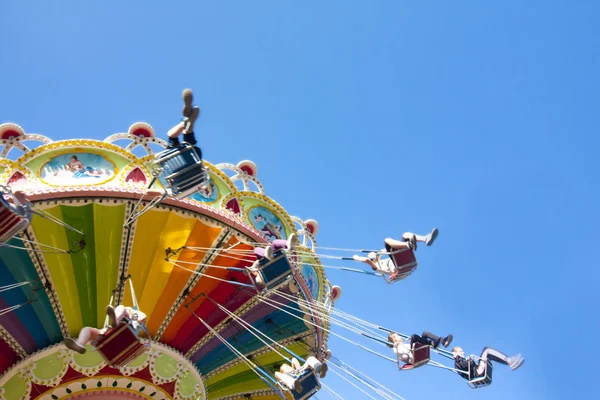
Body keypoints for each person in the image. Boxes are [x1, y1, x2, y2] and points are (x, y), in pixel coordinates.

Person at [353, 228, 438, 281]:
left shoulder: (385, 258)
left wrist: (379, 253)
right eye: (372, 256)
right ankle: (409, 245)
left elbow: (385, 250)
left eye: (374, 255)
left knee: (406, 235)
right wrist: (356, 258)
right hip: (399, 267)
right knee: (387, 240)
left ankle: (425, 238)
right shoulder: (376, 267)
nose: (374, 256)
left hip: (402, 261)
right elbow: (366, 260)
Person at [63, 305, 147, 354]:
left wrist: (130, 312)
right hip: (108, 335)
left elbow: (142, 317)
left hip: (126, 332)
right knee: (87, 329)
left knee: (121, 307)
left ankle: (116, 320)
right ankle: (79, 344)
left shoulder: (134, 319)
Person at [451, 346, 524, 381]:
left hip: (477, 371)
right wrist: (469, 359)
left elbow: (469, 365)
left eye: (462, 351)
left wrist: (470, 360)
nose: (463, 352)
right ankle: (510, 361)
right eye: (460, 351)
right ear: (455, 353)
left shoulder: (460, 361)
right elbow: (466, 365)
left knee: (490, 355)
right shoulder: (457, 362)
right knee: (486, 350)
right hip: (478, 372)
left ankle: (510, 361)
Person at [167, 88, 202, 158]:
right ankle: (186, 124)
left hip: (173, 160)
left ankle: (185, 123)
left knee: (171, 136)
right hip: (191, 157)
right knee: (172, 138)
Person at [387, 331, 453, 365]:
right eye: (398, 336)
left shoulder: (400, 345)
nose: (400, 336)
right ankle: (434, 343)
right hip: (415, 355)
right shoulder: (397, 348)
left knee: (424, 334)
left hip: (416, 352)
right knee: (414, 336)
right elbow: (405, 354)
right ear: (395, 340)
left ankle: (443, 341)